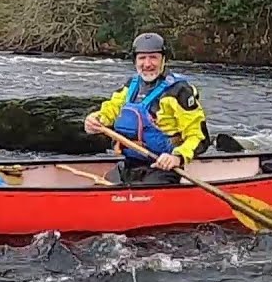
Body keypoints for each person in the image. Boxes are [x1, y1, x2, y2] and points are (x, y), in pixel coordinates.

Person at [83, 31, 210, 185]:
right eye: (142, 58)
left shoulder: (179, 91)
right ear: (135, 61)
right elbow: (111, 108)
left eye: (153, 58)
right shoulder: (131, 86)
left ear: (163, 60)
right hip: (130, 164)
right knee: (100, 188)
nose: (147, 64)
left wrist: (177, 157)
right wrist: (96, 120)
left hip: (162, 169)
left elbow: (199, 137)